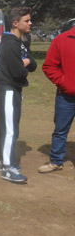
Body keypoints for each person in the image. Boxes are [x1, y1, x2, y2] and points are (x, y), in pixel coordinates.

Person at [0, 7, 36, 183]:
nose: (30, 23)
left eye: (30, 20)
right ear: (15, 23)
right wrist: (24, 64)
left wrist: (25, 62)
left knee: (6, 126)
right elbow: (19, 72)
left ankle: (0, 160)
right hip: (8, 90)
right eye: (26, 20)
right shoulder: (10, 44)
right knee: (10, 130)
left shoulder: (20, 42)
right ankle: (7, 167)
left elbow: (32, 64)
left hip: (13, 91)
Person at [38, 19, 75, 173]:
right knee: (60, 130)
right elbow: (48, 66)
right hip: (66, 97)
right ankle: (55, 161)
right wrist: (64, 83)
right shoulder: (61, 40)